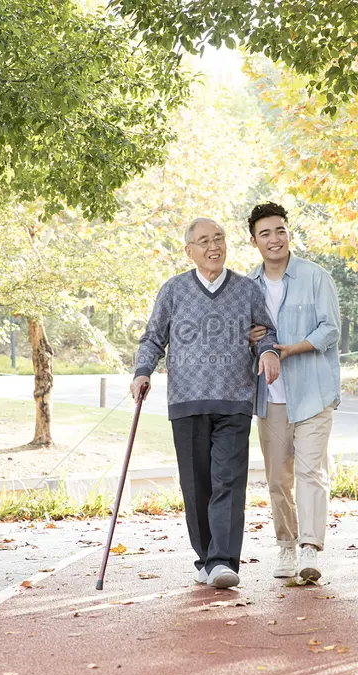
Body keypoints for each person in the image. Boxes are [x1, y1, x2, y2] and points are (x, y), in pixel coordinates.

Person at [132, 218, 281, 589]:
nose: (213, 247)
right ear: (189, 251)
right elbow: (153, 338)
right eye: (203, 242)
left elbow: (266, 332)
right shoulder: (173, 290)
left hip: (234, 398)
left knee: (228, 481)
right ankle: (206, 557)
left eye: (219, 239)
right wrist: (141, 371)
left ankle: (223, 561)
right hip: (187, 399)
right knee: (196, 485)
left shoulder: (246, 290)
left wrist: (267, 352)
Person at [247, 202, 341, 583]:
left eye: (280, 231)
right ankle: (286, 545)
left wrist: (289, 348)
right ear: (253, 240)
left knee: (309, 472)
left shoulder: (315, 276)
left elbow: (330, 329)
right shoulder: (246, 286)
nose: (275, 239)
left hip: (313, 391)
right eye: (266, 233)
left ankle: (310, 548)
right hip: (270, 397)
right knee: (277, 479)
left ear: (289, 234)